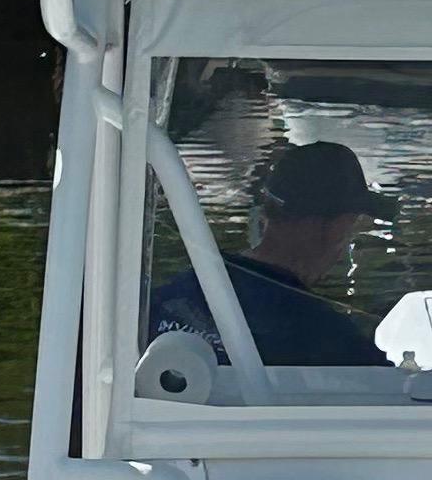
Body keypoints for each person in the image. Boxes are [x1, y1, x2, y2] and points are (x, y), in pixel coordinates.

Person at [146, 140, 385, 369]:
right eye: (351, 227)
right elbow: (393, 388)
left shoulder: (175, 292)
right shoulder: (329, 338)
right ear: (335, 229)